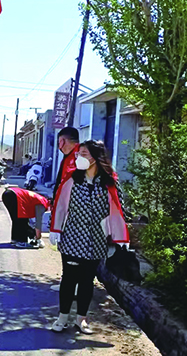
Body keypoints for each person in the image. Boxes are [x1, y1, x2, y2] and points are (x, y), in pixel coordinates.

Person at [49, 140, 129, 334]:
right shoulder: (71, 179)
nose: (79, 158)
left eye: (84, 154)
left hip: (96, 240)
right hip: (73, 237)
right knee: (69, 278)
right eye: (78, 154)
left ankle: (81, 319)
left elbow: (118, 209)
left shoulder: (109, 182)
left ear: (95, 158)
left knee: (87, 280)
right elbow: (60, 205)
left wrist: (120, 237)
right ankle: (62, 317)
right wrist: (55, 229)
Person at [52, 127, 80, 197]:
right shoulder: (68, 156)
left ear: (62, 141)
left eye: (59, 142)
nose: (59, 147)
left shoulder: (77, 157)